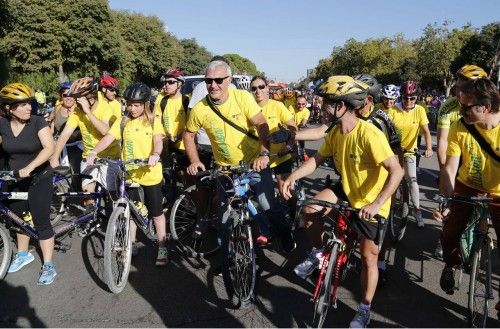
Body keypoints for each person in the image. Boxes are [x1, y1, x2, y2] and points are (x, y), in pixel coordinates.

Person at [281, 76, 404, 328]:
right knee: (309, 209)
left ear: (343, 105)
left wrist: (377, 203)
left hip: (372, 200)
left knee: (369, 256)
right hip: (348, 189)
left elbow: (397, 171)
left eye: (329, 102)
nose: (324, 107)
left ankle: (364, 308)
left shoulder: (369, 133)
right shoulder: (337, 131)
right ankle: (318, 253)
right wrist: (291, 177)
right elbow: (317, 159)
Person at [183, 60, 295, 300]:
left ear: (229, 81)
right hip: (225, 170)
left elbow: (262, 125)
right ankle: (229, 256)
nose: (213, 85)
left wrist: (264, 154)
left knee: (267, 205)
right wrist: (193, 160)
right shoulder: (200, 108)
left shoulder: (242, 98)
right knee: (225, 218)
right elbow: (188, 134)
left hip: (254, 163)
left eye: (218, 80)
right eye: (208, 81)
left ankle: (284, 232)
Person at [86, 82, 169, 265]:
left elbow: (158, 141)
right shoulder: (123, 121)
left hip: (150, 173)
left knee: (156, 212)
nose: (132, 108)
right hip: (130, 173)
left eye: (137, 105)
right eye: (130, 104)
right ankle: (129, 243)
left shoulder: (154, 120)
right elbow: (108, 137)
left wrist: (155, 154)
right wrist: (94, 152)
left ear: (145, 104)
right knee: (130, 211)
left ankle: (162, 244)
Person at [433, 78, 500, 299]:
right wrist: (446, 199)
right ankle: (451, 265)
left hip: (498, 191)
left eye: (466, 107)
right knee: (450, 231)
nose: (460, 111)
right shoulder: (459, 127)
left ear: (486, 107)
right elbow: (451, 167)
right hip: (466, 185)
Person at [0, 83, 57, 284]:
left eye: (29, 104)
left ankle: (49, 264)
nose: (28, 108)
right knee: (18, 218)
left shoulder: (38, 122)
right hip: (14, 178)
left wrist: (31, 167)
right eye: (22, 105)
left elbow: (49, 148)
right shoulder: (2, 124)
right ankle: (24, 254)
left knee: (41, 220)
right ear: (9, 108)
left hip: (39, 176)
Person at [434, 64, 488, 258]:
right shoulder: (448, 107)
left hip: (483, 160)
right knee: (450, 204)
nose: (458, 92)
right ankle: (446, 238)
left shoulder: (489, 107)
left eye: (462, 88)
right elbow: (441, 143)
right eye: (456, 87)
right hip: (455, 155)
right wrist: (446, 174)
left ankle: (481, 236)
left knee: (485, 204)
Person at [50, 77, 121, 198]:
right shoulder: (78, 111)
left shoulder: (106, 107)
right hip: (88, 156)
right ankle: (92, 213)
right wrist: (55, 158)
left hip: (109, 157)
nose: (74, 102)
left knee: (111, 195)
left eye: (77, 99)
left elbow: (105, 131)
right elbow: (65, 134)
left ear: (90, 97)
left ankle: (115, 214)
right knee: (87, 195)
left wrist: (88, 112)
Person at [250, 75, 297, 245]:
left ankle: (294, 213)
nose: (258, 91)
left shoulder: (277, 106)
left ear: (268, 88)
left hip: (280, 156)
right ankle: (267, 229)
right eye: (253, 88)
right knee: (262, 197)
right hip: (261, 159)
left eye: (261, 87)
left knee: (286, 192)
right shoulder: (248, 107)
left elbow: (293, 127)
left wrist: (289, 145)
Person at [386, 81, 433, 228]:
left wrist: (429, 147)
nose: (408, 101)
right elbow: (385, 132)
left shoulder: (420, 110)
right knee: (389, 180)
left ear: (417, 98)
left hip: (410, 151)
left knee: (412, 180)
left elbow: (426, 131)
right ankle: (387, 209)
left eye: (412, 98)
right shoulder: (393, 110)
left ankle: (417, 210)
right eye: (405, 98)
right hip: (393, 151)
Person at [48, 82, 83, 190]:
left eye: (71, 94)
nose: (68, 98)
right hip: (61, 145)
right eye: (65, 95)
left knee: (75, 171)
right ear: (61, 96)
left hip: (77, 145)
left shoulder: (80, 108)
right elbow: (52, 125)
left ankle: (77, 196)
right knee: (58, 172)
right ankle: (63, 196)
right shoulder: (57, 108)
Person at [153, 68, 189, 168]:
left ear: (180, 84)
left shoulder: (186, 101)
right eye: (165, 82)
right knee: (166, 172)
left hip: (183, 144)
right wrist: (164, 137)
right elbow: (157, 123)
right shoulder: (162, 101)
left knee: (185, 174)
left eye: (170, 82)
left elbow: (191, 124)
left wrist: (178, 136)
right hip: (166, 144)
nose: (166, 85)